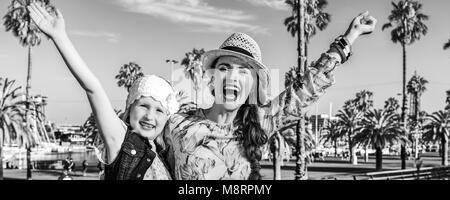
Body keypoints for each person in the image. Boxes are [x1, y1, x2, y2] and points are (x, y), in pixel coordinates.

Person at [162, 13, 376, 179]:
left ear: (253, 85)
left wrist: (349, 39)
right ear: (212, 77)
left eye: (244, 71)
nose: (232, 77)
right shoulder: (177, 124)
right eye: (225, 68)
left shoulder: (259, 123)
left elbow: (306, 90)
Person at [27, 3, 178, 180]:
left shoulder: (163, 154)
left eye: (159, 110)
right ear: (129, 109)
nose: (150, 116)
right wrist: (60, 37)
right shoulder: (121, 140)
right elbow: (93, 88)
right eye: (144, 105)